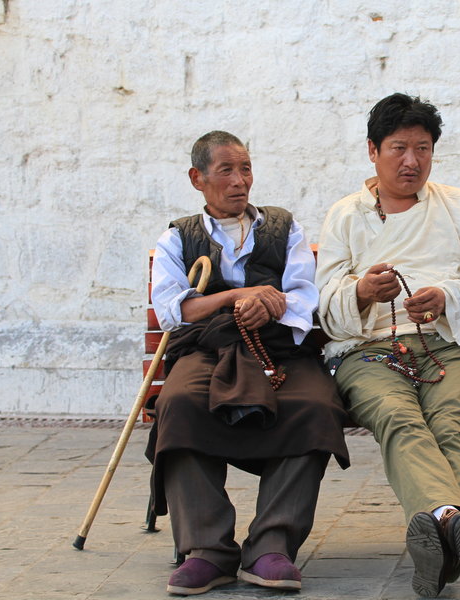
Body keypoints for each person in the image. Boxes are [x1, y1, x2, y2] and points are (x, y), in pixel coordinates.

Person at [145, 131, 350, 596]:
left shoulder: (283, 227)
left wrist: (272, 304)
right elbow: (174, 309)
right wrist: (239, 296)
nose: (240, 181)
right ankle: (208, 549)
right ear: (198, 179)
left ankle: (272, 545)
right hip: (207, 350)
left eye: (246, 169)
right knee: (179, 404)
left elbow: (304, 293)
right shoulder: (178, 237)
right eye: (226, 171)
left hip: (278, 350)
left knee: (315, 406)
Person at [315, 93, 460, 597]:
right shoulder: (345, 215)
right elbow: (326, 296)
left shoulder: (458, 204)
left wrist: (446, 296)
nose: (412, 161)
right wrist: (359, 291)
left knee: (452, 423)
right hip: (370, 351)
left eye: (423, 148)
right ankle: (451, 518)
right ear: (373, 150)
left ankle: (437, 533)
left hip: (447, 346)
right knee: (398, 417)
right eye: (399, 148)